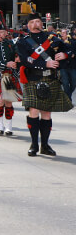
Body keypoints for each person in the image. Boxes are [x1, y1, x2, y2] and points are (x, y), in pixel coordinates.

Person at [17, 13, 73, 157]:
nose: (36, 24)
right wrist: (45, 63)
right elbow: (25, 60)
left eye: (38, 21)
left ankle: (45, 145)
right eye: (32, 22)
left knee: (47, 113)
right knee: (34, 111)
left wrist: (65, 55)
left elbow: (70, 49)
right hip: (33, 79)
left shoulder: (53, 39)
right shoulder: (23, 42)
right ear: (27, 25)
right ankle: (34, 144)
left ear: (42, 24)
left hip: (51, 79)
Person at [58, 28, 76, 102]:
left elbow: (74, 52)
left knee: (73, 83)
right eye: (62, 33)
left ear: (67, 34)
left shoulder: (73, 42)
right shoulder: (58, 43)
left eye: (64, 33)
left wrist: (72, 54)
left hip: (72, 66)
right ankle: (68, 99)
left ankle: (67, 95)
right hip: (63, 66)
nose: (63, 34)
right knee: (65, 83)